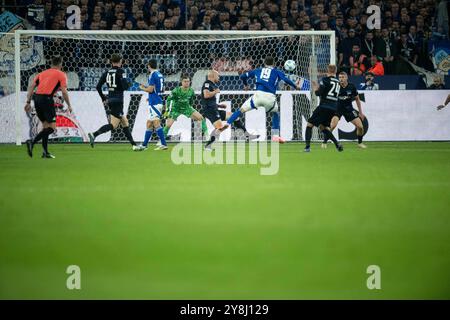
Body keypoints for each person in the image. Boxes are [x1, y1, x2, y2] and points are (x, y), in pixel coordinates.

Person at [225, 56, 300, 143]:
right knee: (275, 113)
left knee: (240, 110)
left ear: (264, 63)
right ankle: (275, 136)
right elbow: (286, 80)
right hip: (270, 97)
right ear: (274, 64)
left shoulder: (258, 70)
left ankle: (227, 124)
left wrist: (245, 85)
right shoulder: (277, 72)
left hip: (258, 95)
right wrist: (295, 86)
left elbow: (242, 76)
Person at [25, 55, 73, 159]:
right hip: (46, 99)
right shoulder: (61, 74)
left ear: (51, 64)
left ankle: (45, 152)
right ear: (60, 64)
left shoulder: (42, 73)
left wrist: (28, 102)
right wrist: (69, 105)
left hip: (36, 99)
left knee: (46, 126)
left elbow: (31, 86)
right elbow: (64, 91)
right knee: (52, 128)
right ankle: (32, 142)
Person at [88, 53, 139, 150]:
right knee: (114, 125)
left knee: (125, 121)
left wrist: (104, 98)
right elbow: (125, 87)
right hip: (118, 100)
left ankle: (134, 145)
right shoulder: (121, 71)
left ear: (111, 62)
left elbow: (98, 87)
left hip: (110, 100)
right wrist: (128, 82)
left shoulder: (106, 72)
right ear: (120, 61)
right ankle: (94, 134)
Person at [304, 64, 343, 153]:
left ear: (328, 70)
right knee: (323, 127)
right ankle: (337, 144)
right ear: (335, 71)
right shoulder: (338, 82)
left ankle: (307, 147)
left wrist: (315, 88)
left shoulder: (325, 80)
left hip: (324, 106)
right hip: (333, 108)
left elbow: (318, 93)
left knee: (309, 125)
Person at [324, 72, 367, 149]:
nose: (341, 79)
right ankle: (324, 142)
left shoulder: (351, 86)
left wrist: (360, 112)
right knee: (333, 126)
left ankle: (360, 143)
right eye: (340, 77)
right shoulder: (336, 86)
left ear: (347, 78)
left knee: (360, 127)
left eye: (343, 77)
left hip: (348, 109)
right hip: (337, 109)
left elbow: (357, 99)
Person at [163, 74, 208, 140]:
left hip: (186, 108)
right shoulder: (176, 90)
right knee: (168, 125)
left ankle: (207, 136)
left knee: (201, 118)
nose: (187, 83)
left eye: (188, 81)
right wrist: (167, 110)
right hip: (176, 109)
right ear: (182, 82)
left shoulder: (191, 91)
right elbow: (169, 99)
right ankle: (161, 140)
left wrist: (190, 108)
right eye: (185, 81)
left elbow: (191, 101)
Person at [137, 59, 167, 150]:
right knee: (149, 123)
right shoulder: (160, 74)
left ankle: (163, 144)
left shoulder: (152, 75)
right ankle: (145, 145)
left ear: (149, 66)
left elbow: (150, 89)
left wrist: (142, 88)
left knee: (156, 122)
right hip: (157, 100)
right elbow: (162, 89)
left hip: (155, 102)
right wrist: (150, 97)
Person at [201, 70, 229, 150]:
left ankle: (247, 134)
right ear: (213, 76)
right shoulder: (207, 84)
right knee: (220, 127)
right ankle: (208, 145)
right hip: (210, 110)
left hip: (214, 108)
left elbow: (209, 101)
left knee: (232, 116)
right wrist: (215, 91)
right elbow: (206, 95)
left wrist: (219, 105)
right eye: (218, 75)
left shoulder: (212, 85)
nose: (219, 77)